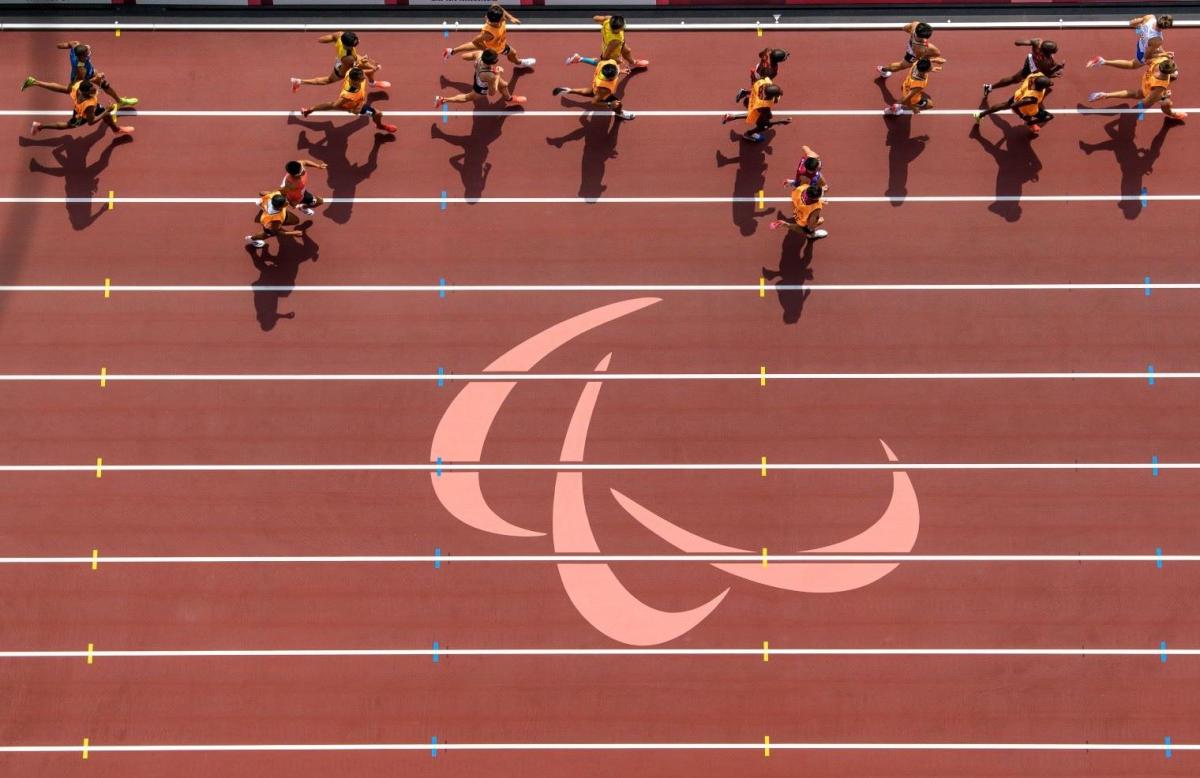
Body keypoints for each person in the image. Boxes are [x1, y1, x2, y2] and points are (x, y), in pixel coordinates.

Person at [22, 41, 138, 107]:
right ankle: (35, 82)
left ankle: (119, 101)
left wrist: (58, 46)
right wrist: (97, 77)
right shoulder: (81, 69)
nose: (89, 53)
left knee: (104, 84)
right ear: (82, 56)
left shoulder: (76, 46)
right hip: (81, 77)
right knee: (67, 90)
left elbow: (69, 44)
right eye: (87, 53)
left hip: (90, 71)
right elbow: (83, 82)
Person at [299, 67, 398, 133]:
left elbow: (362, 71)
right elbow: (335, 105)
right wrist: (350, 108)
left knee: (330, 105)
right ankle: (380, 126)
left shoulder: (350, 72)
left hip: (356, 100)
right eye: (362, 77)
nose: (364, 77)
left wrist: (373, 69)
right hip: (357, 106)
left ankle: (308, 110)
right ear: (356, 80)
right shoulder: (349, 94)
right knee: (378, 114)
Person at [1088, 55, 1186, 121]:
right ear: (1168, 72)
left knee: (1136, 93)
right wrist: (1163, 96)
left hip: (1147, 78)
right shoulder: (1160, 86)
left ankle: (1105, 93)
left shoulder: (1161, 59)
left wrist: (1166, 55)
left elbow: (1148, 59)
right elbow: (1146, 101)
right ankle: (1172, 114)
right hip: (1150, 88)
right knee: (1167, 103)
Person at [27, 77, 134, 135]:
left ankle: (116, 129)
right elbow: (91, 122)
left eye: (93, 87)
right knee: (68, 125)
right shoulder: (89, 104)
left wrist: (97, 78)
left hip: (84, 106)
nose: (94, 89)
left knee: (106, 114)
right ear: (86, 92)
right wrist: (106, 111)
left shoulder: (79, 86)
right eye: (92, 89)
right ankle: (40, 127)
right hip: (81, 115)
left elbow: (87, 81)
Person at [443, 4, 536, 70]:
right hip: (496, 48)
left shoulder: (495, 15)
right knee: (513, 53)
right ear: (497, 21)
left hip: (496, 42)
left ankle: (452, 51)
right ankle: (520, 63)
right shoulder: (488, 34)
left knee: (472, 47)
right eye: (503, 17)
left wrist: (511, 18)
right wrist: (486, 49)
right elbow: (475, 41)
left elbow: (497, 6)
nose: (504, 17)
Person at [292, 31, 389, 92]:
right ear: (348, 45)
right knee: (328, 80)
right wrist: (367, 64)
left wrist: (320, 40)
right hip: (342, 68)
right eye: (355, 44)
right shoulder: (348, 58)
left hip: (347, 57)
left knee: (372, 67)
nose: (358, 42)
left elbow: (329, 37)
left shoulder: (340, 35)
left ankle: (372, 83)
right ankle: (300, 82)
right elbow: (354, 68)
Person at [435, 49, 526, 107]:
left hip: (479, 74)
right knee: (467, 97)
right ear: (493, 62)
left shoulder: (479, 54)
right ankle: (443, 100)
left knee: (504, 85)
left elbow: (464, 56)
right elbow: (492, 93)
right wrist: (498, 74)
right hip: (481, 88)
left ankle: (509, 98)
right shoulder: (490, 76)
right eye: (496, 59)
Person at [552, 59, 636, 121]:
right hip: (602, 92)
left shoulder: (605, 64)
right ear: (608, 78)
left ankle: (568, 90)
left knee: (592, 91)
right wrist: (610, 104)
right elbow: (594, 102)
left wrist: (620, 71)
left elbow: (611, 68)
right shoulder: (604, 89)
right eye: (614, 76)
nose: (616, 74)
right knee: (618, 104)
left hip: (596, 85)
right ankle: (619, 113)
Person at [974, 73, 1055, 134]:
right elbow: (1014, 106)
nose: (1051, 83)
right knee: (1049, 117)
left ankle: (980, 115)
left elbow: (1045, 78)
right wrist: (1022, 115)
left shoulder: (1034, 75)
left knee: (1004, 105)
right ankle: (1030, 123)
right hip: (1027, 109)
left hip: (1018, 95)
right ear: (1042, 87)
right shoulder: (1032, 98)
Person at [1086, 14, 1173, 70]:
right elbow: (1147, 56)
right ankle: (1103, 61)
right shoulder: (1157, 40)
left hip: (1142, 42)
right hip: (1143, 52)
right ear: (1165, 28)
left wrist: (1141, 31)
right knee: (1132, 65)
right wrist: (1163, 54)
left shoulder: (1150, 17)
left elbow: (1132, 23)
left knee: (1163, 54)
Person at [983, 38, 1065, 96]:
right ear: (1048, 52)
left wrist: (1024, 42)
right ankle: (989, 87)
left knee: (1047, 77)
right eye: (1055, 49)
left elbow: (1017, 42)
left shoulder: (1037, 42)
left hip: (1031, 58)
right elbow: (1047, 73)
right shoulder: (1046, 62)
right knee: (1014, 79)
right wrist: (1058, 67)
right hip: (1033, 68)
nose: (1057, 49)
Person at [566, 15, 649, 70]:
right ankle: (579, 58)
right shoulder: (615, 40)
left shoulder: (608, 20)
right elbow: (606, 54)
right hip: (611, 50)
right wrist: (617, 60)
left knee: (627, 51)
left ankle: (632, 63)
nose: (624, 26)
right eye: (622, 26)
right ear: (617, 29)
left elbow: (595, 18)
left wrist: (602, 18)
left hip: (615, 43)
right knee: (602, 63)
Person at [722, 78, 789, 141]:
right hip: (756, 107)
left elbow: (755, 88)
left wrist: (747, 92)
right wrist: (780, 121)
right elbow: (766, 122)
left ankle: (732, 116)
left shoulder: (764, 84)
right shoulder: (765, 106)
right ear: (771, 96)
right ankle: (748, 134)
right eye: (777, 95)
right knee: (764, 126)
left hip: (750, 100)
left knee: (765, 115)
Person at [877, 21, 945, 79]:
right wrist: (934, 60)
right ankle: (883, 70)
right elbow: (920, 60)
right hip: (913, 54)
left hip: (911, 44)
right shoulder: (921, 48)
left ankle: (883, 70)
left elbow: (904, 28)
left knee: (931, 54)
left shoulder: (915, 25)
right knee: (902, 66)